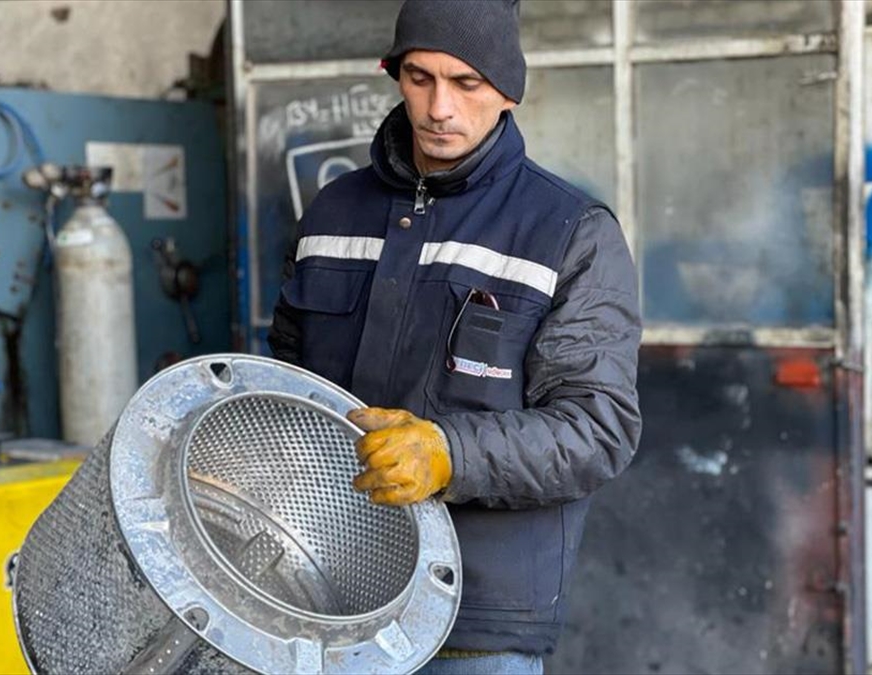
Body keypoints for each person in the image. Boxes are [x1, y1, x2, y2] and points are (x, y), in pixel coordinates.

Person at [268, 1, 641, 672]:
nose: (439, 107)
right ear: (396, 74)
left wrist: (450, 453)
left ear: (505, 91)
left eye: (466, 83)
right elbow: (287, 386)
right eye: (420, 77)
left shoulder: (567, 231)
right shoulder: (331, 212)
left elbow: (597, 427)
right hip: (327, 591)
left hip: (477, 620)